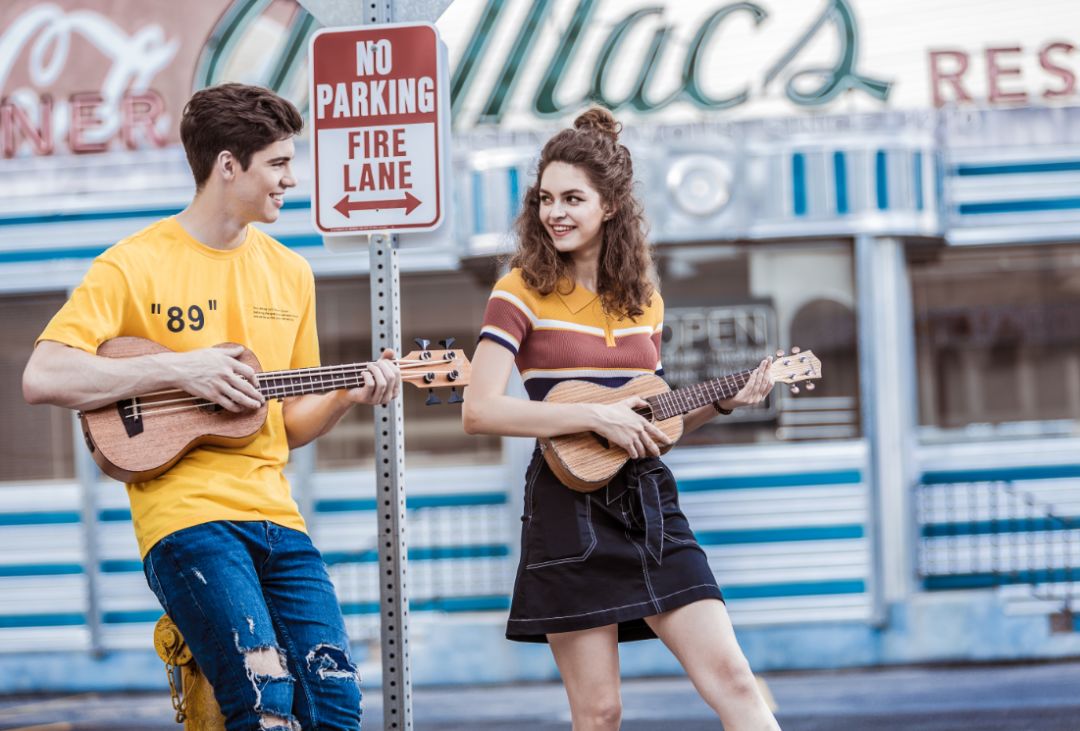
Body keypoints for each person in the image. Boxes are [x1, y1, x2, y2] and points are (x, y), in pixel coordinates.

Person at [22, 83, 398, 731]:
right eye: (278, 163)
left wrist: (346, 393)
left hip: (278, 516)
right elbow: (43, 373)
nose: (290, 178)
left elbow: (290, 421)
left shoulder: (291, 272)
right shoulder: (133, 265)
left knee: (334, 701)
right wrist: (179, 366)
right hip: (187, 519)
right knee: (263, 698)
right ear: (229, 165)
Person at [462, 108, 782, 731]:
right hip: (565, 507)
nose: (556, 212)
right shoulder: (518, 291)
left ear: (610, 205)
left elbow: (651, 427)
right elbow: (480, 410)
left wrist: (717, 404)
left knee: (737, 681)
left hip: (649, 504)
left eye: (573, 198)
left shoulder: (645, 301)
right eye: (546, 198)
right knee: (600, 712)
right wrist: (596, 417)